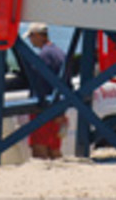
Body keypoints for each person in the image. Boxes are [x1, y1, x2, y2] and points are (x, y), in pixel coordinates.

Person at [24, 22, 67, 159]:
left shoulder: (44, 56)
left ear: (38, 35)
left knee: (39, 149)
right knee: (54, 148)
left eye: (31, 36)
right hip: (59, 105)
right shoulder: (59, 52)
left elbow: (41, 84)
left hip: (45, 109)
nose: (30, 41)